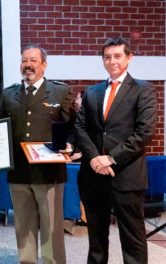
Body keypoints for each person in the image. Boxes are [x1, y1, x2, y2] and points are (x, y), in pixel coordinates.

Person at [0, 44, 72, 263]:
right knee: (23, 228)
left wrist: (70, 145)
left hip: (49, 173)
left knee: (52, 230)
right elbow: (2, 127)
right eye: (24, 60)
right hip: (19, 173)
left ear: (44, 64)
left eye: (33, 60)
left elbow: (74, 125)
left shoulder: (60, 91)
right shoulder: (9, 94)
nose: (28, 65)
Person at [75, 37, 156, 264]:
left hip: (126, 176)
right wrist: (94, 160)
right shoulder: (92, 92)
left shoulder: (143, 90)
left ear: (129, 58)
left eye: (118, 56)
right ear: (103, 60)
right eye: (108, 57)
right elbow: (80, 129)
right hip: (93, 177)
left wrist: (110, 159)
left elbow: (144, 133)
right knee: (96, 240)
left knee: (133, 240)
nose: (112, 61)